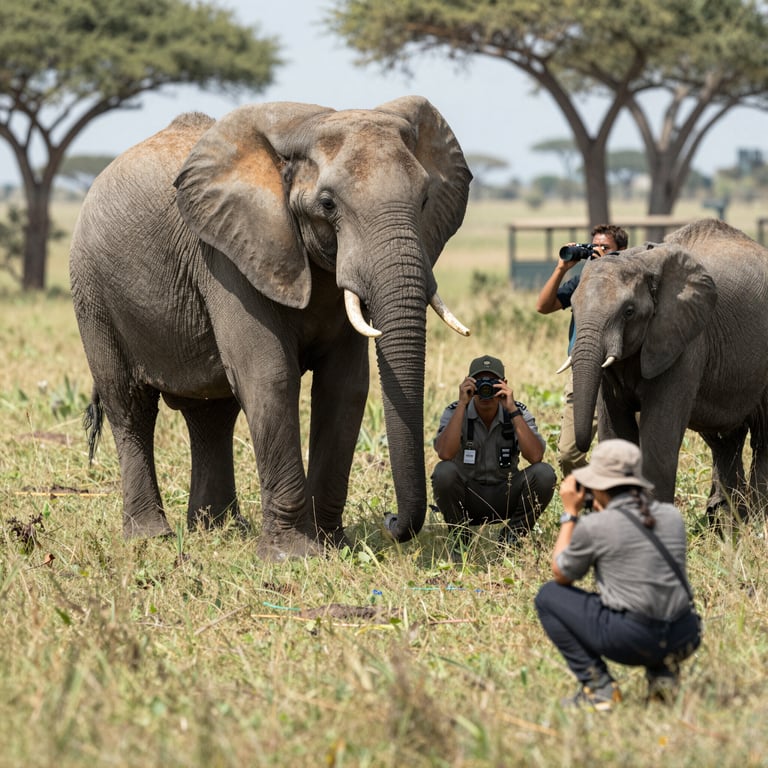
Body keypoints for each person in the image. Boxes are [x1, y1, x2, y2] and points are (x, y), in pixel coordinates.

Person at [534, 439, 702, 710]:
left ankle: (599, 687)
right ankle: (664, 677)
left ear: (599, 485)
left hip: (634, 638)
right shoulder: (671, 515)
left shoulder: (595, 525)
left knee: (548, 596)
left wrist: (570, 514)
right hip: (685, 634)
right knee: (654, 602)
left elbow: (561, 573)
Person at [431, 354, 556, 553]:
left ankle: (511, 539)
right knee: (443, 472)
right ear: (469, 383)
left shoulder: (517, 411)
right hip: (468, 496)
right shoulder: (456, 410)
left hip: (505, 494)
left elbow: (535, 457)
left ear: (504, 384)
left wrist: (512, 410)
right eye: (480, 382)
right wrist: (462, 404)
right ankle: (460, 539)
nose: (486, 389)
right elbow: (445, 454)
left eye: (492, 383)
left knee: (544, 473)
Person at [536, 224, 629, 477]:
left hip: (623, 374)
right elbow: (543, 306)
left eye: (605, 248)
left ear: (623, 250)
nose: (597, 252)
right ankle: (590, 491)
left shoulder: (630, 282)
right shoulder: (582, 282)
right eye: (593, 247)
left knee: (626, 451)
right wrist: (562, 268)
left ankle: (618, 493)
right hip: (583, 370)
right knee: (569, 453)